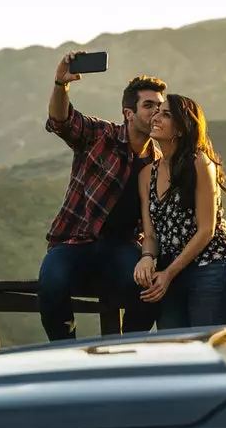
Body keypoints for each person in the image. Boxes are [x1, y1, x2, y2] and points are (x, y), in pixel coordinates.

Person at [37, 50, 165, 341]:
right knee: (51, 284)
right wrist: (61, 84)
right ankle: (65, 353)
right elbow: (61, 120)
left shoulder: (158, 163)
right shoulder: (100, 135)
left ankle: (120, 351)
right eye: (148, 105)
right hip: (74, 239)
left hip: (121, 246)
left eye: (160, 106)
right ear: (128, 113)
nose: (156, 112)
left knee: (150, 292)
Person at [135, 93, 226, 330]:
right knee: (173, 351)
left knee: (207, 353)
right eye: (157, 112)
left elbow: (207, 230)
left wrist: (168, 274)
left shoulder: (200, 163)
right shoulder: (146, 175)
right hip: (170, 275)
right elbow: (151, 235)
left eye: (166, 114)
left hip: (210, 269)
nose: (156, 117)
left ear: (182, 128)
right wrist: (147, 257)